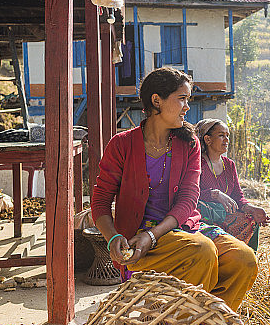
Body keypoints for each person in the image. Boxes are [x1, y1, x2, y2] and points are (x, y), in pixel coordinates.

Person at [90, 68, 257, 311]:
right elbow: (100, 201)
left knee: (244, 259)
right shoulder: (122, 144)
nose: (187, 107)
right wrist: (113, 237)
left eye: (188, 100)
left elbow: (189, 199)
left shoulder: (189, 144)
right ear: (156, 100)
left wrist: (153, 235)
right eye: (182, 99)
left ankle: (205, 323)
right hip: (138, 238)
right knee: (202, 252)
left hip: (182, 228)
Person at [195, 119, 270, 251]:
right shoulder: (197, 163)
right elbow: (190, 193)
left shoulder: (229, 165)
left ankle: (247, 259)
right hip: (204, 216)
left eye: (227, 136)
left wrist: (251, 208)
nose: (226, 140)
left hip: (224, 215)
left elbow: (237, 196)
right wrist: (215, 195)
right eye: (221, 135)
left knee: (251, 219)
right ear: (207, 139)